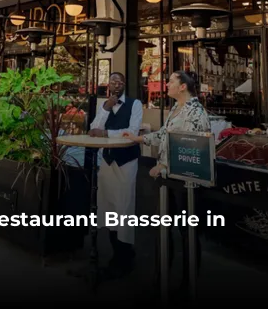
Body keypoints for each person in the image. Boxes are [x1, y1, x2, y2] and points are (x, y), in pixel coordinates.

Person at [124, 71, 210, 287]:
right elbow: (164, 134)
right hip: (167, 179)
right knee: (163, 228)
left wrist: (163, 164)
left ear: (183, 87)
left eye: (171, 81)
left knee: (187, 231)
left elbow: (190, 145)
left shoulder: (196, 111)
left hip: (185, 181)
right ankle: (162, 274)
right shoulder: (176, 108)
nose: (166, 84)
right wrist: (139, 139)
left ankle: (188, 282)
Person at [88, 72, 143, 277]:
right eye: (112, 81)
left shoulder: (134, 104)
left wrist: (107, 134)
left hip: (126, 160)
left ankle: (127, 254)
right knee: (108, 204)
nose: (116, 84)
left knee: (124, 205)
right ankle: (115, 253)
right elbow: (94, 128)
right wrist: (105, 109)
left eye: (120, 81)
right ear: (108, 85)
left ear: (124, 84)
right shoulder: (104, 104)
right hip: (107, 159)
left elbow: (132, 131)